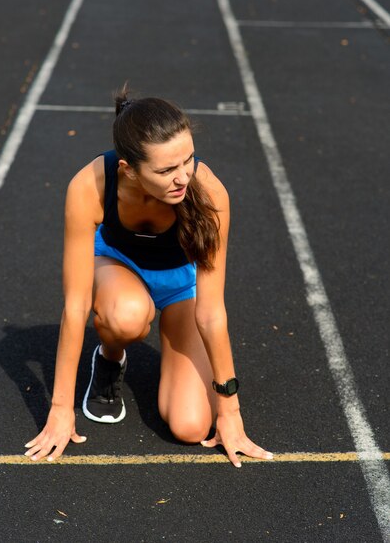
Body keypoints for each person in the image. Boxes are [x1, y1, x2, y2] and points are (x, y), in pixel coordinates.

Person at [24, 86, 273, 467]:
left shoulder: (209, 194)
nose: (183, 177)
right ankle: (110, 357)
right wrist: (61, 408)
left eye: (188, 160)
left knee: (191, 428)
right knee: (126, 315)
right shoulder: (90, 186)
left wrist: (231, 413)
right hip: (117, 272)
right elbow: (75, 307)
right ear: (129, 170)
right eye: (166, 170)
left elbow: (211, 312)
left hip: (179, 287)